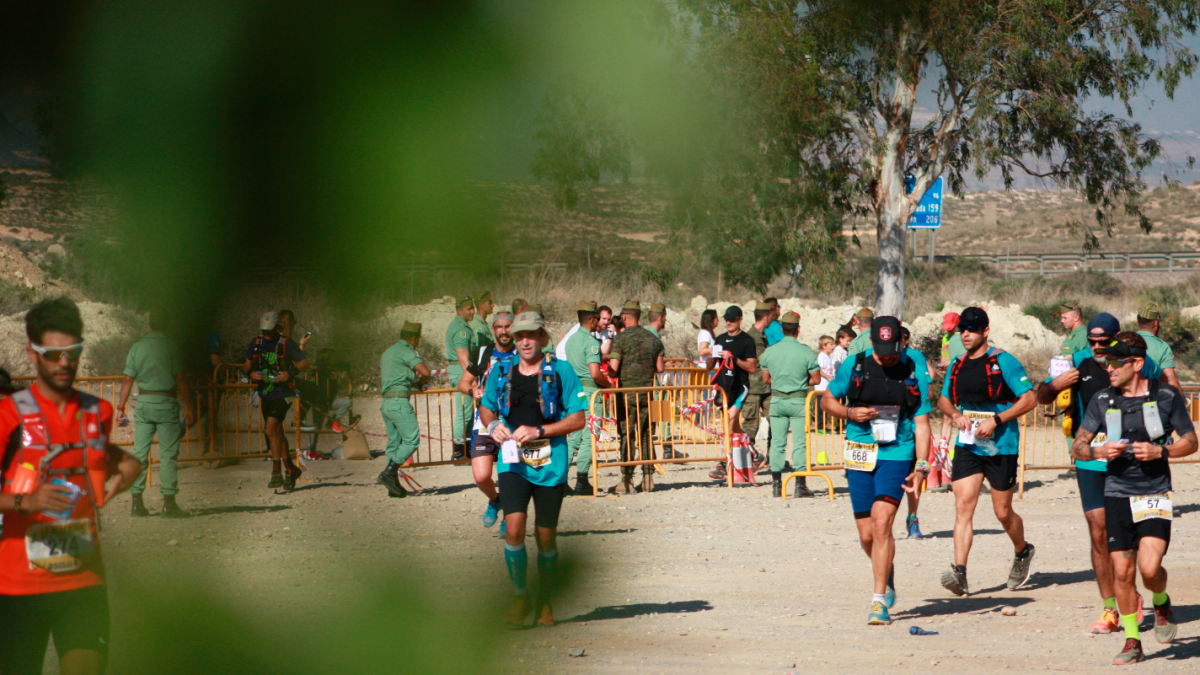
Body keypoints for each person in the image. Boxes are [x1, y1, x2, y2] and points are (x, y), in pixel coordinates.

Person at [0, 297, 142, 675]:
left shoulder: (98, 411)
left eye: (73, 352)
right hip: (19, 589)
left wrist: (129, 465)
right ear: (32, 353)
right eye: (53, 354)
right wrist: (25, 501)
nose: (65, 363)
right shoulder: (8, 415)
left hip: (83, 580)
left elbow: (95, 454)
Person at [1072, 332, 1196, 665]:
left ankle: (1161, 600)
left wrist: (1161, 451)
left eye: (1116, 362)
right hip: (1116, 493)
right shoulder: (1102, 399)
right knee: (1123, 573)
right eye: (1107, 362)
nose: (1109, 368)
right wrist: (1098, 451)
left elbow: (1191, 441)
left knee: (1149, 568)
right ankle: (1132, 641)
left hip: (1153, 492)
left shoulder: (1166, 396)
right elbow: (1078, 446)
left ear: (1137, 364)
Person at [1037, 313, 1160, 634]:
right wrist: (1054, 385)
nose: (1096, 347)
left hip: (1130, 460)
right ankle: (1110, 608)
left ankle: (1133, 591)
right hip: (1092, 460)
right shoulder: (1077, 362)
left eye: (1103, 342)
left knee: (1132, 534)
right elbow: (1042, 397)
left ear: (1117, 339)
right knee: (1098, 530)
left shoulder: (1138, 363)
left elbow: (1164, 392)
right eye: (1091, 341)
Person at [478, 311, 586, 628]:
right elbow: (486, 406)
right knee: (513, 529)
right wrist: (493, 425)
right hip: (513, 463)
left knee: (545, 537)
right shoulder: (502, 370)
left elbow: (578, 419)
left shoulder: (562, 371)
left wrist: (539, 431)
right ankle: (520, 595)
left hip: (551, 464)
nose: (525, 341)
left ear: (542, 337)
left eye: (531, 334)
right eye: (519, 335)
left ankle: (545, 599)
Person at [821, 316, 932, 625]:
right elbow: (827, 400)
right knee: (867, 534)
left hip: (897, 453)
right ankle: (886, 569)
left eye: (892, 352)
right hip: (859, 452)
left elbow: (922, 423)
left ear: (901, 342)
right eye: (881, 352)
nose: (887, 358)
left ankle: (878, 601)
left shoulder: (913, 365)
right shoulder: (855, 364)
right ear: (872, 342)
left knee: (882, 523)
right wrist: (849, 412)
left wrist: (922, 466)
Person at [938, 306, 1037, 596]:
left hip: (1001, 445)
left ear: (986, 331)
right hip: (968, 445)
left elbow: (1029, 399)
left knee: (1002, 512)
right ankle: (959, 573)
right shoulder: (957, 364)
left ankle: (1022, 551)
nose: (966, 334)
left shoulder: (1003, 361)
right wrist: (956, 415)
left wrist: (996, 420)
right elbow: (944, 400)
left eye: (972, 329)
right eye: (962, 329)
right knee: (963, 506)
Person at [116, 311, 196, 517]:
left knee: (140, 453)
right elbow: (180, 377)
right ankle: (169, 503)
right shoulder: (172, 346)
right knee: (168, 454)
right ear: (167, 325)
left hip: (143, 403)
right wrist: (190, 406)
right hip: (166, 402)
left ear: (149, 324)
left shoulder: (137, 347)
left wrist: (120, 407)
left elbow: (128, 379)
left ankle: (136, 503)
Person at [458, 311, 517, 532]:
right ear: (493, 330)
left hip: (511, 425)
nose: (504, 331)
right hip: (484, 422)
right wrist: (472, 390)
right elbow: (463, 382)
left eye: (508, 326)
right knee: (481, 476)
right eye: (499, 327)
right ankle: (495, 500)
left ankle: (509, 517)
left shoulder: (522, 353)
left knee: (509, 476)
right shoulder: (484, 353)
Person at [243, 311, 310, 490]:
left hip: (284, 393)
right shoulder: (256, 343)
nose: (266, 333)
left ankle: (276, 472)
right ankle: (291, 470)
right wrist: (250, 373)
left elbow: (304, 363)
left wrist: (290, 373)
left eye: (269, 330)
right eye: (263, 330)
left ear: (277, 328)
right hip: (266, 392)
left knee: (270, 429)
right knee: (276, 433)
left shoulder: (286, 343)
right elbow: (247, 364)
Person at [759, 312, 821, 498]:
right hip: (798, 400)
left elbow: (765, 379)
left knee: (777, 442)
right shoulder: (806, 352)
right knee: (800, 444)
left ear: (782, 329)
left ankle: (777, 486)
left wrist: (781, 381)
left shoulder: (770, 351)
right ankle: (800, 485)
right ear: (798, 330)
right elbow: (816, 379)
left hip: (777, 400)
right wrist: (799, 382)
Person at [607, 301, 665, 493]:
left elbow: (613, 368)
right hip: (647, 395)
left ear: (624, 316)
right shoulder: (653, 339)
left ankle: (626, 480)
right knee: (646, 435)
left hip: (626, 397)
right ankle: (648, 479)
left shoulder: (621, 339)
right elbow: (660, 368)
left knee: (627, 435)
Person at [563, 302, 613, 495]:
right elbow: (595, 373)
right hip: (591, 393)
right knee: (590, 436)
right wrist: (609, 386)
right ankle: (582, 480)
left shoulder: (571, 340)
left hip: (575, 392)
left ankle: (561, 480)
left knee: (574, 438)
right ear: (592, 319)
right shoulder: (591, 342)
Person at [377, 322, 431, 499]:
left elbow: (395, 376)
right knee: (412, 439)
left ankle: (392, 486)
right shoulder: (406, 351)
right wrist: (422, 382)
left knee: (393, 444)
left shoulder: (388, 352)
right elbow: (425, 371)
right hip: (399, 402)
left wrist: (411, 383)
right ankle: (389, 472)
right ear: (414, 338)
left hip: (387, 402)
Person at [707, 305, 758, 481]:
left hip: (740, 387)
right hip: (725, 389)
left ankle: (723, 463)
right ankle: (755, 454)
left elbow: (752, 367)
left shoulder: (747, 340)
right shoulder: (720, 338)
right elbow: (709, 366)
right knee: (734, 426)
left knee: (728, 421)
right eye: (726, 319)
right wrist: (712, 354)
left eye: (732, 320)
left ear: (740, 320)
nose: (729, 322)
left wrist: (734, 359)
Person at [898, 326, 933, 539]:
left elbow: (928, 388)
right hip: (885, 435)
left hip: (912, 428)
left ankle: (913, 518)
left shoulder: (915, 357)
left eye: (902, 338)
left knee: (913, 477)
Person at [931, 312, 966, 492]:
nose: (949, 331)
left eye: (952, 328)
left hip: (961, 381)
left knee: (961, 418)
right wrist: (943, 365)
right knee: (947, 417)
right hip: (949, 380)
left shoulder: (963, 337)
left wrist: (951, 363)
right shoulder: (947, 339)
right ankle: (943, 453)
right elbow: (946, 357)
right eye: (947, 328)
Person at [445, 296, 478, 461]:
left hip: (459, 371)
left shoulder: (461, 326)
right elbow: (464, 359)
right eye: (468, 309)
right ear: (459, 311)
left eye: (472, 308)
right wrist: (471, 379)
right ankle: (459, 452)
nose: (472, 311)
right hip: (461, 372)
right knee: (464, 413)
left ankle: (466, 449)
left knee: (467, 413)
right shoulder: (461, 330)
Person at [742, 302, 775, 462]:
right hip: (754, 388)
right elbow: (764, 359)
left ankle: (773, 457)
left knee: (775, 421)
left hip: (767, 386)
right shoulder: (751, 337)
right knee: (750, 424)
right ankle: (746, 459)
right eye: (771, 317)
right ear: (766, 317)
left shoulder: (762, 337)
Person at [1136, 303, 1182, 391]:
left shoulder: (1125, 341)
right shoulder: (1162, 347)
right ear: (1156, 323)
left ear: (1138, 322)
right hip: (1151, 396)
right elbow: (1171, 381)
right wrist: (1182, 399)